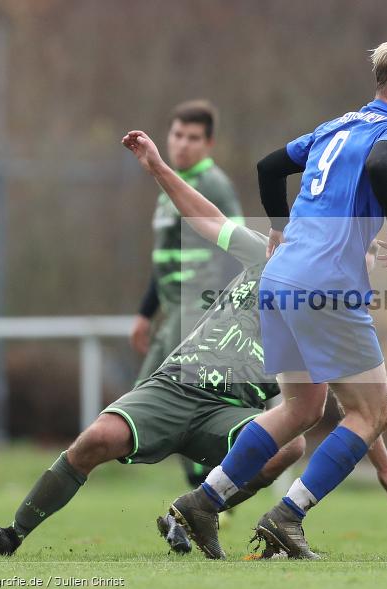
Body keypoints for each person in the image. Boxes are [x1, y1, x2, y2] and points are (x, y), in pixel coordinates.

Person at [0, 130, 387, 560]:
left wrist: (385, 468)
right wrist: (158, 167)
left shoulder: (336, 312)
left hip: (229, 411)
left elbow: (354, 404)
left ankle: (200, 511)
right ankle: (11, 534)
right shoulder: (268, 253)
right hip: (178, 385)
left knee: (290, 446)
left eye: (365, 256)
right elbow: (208, 219)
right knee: (96, 439)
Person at [166, 39, 387, 560]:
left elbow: (268, 167)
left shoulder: (337, 126)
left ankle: (203, 502)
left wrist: (279, 228)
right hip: (326, 286)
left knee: (302, 408)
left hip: (279, 281)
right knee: (375, 413)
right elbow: (384, 166)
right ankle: (287, 516)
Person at [129, 100, 243, 489]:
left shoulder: (213, 186)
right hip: (174, 308)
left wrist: (225, 313)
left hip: (199, 308)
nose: (182, 145)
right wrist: (146, 313)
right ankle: (208, 494)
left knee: (150, 405)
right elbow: (165, 260)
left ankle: (210, 493)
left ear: (209, 144)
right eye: (177, 135)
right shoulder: (169, 187)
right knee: (159, 405)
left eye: (193, 138)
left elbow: (238, 251)